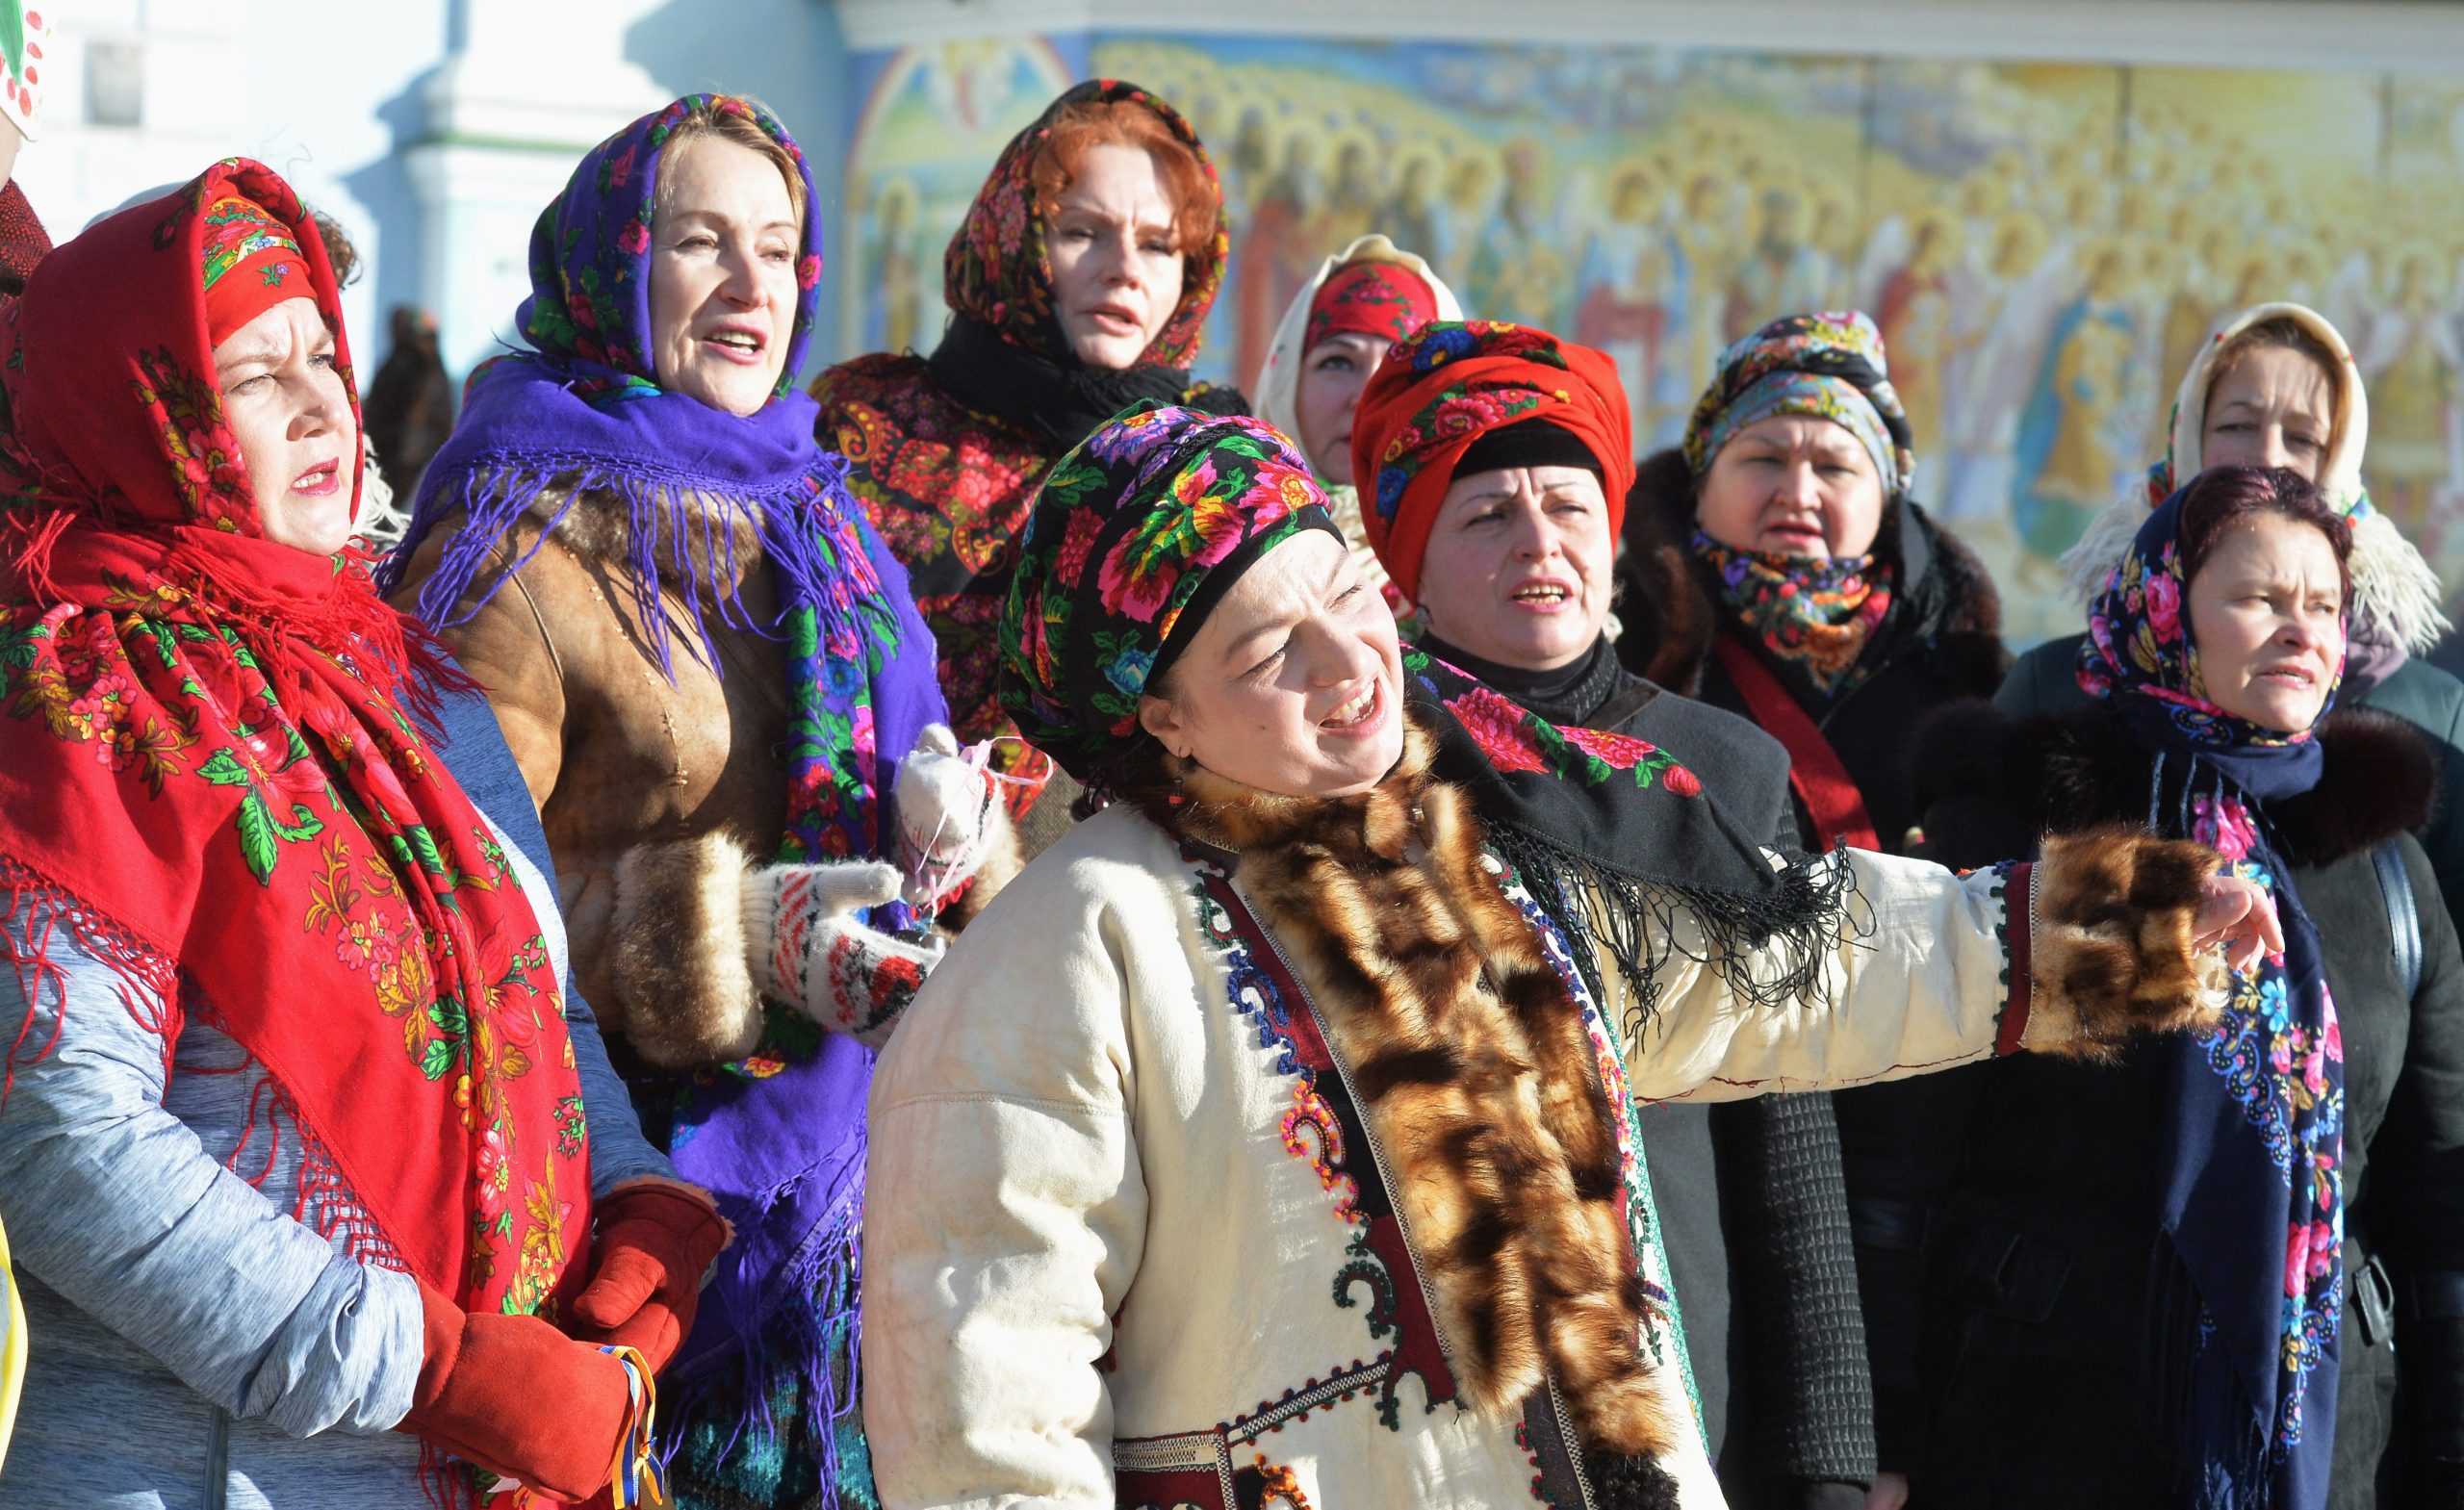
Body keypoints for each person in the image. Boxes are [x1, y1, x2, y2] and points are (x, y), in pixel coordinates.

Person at [859, 400, 2279, 1508]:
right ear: (1158, 716)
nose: (1350, 668)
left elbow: (1791, 964)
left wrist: (2110, 928)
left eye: (1349, 599)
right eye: (1266, 653)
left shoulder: (1483, 840)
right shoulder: (1070, 950)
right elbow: (984, 1392)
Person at [0, 159, 715, 1505]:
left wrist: (632, 1217)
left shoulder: (409, 679)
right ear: (146, 406)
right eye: (257, 376)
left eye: (323, 352)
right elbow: (65, 1138)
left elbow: (537, 1008)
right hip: (207, 1467)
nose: (324, 401)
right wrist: (440, 1372)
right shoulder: (81, 696)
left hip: (495, 1455)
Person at [385, 96, 1004, 1510]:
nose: (749, 289)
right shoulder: (512, 533)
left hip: (865, 1206)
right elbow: (447, 902)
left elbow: (909, 762)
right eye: (701, 243)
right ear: (615, 263)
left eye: (778, 251)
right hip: (633, 1229)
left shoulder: (824, 507)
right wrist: (748, 934)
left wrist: (950, 836)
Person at [1348, 319, 1883, 1509]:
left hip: (1688, 1371)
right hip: (1425, 1396)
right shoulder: (1356, 775)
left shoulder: (1725, 773)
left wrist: (1824, 1463)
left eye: (1568, 505)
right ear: (1407, 568)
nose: (1538, 540)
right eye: (1484, 514)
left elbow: (1787, 1132)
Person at [1898, 467, 2464, 1508]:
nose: (2300, 630)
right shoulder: (2025, 826)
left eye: (2324, 606)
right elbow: (1902, 1157)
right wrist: (1876, 1434)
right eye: (2257, 598)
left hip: (2333, 1443)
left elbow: (2437, 1190)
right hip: (2042, 1429)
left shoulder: (2381, 866)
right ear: (2162, 613)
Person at [1610, 312, 2008, 1504]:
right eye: (1763, 459)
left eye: (1834, 464)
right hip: (1717, 1140)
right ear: (1702, 476)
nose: (1799, 489)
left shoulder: (1967, 685)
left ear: (1886, 494)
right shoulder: (1636, 662)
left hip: (1932, 1180)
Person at [812, 79, 1244, 853]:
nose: (1124, 269)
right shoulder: (862, 421)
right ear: (1012, 237)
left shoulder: (1214, 452)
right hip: (857, 857)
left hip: (1123, 890)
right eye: (1083, 231)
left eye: (1157, 244)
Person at [2005, 301, 2464, 943]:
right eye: (2237, 424)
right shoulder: (2056, 686)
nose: (2268, 457)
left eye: (2303, 437)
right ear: (2188, 435)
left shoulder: (2430, 716)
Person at [1250, 233, 1459, 609]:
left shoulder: (1490, 559)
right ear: (1286, 382)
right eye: (1338, 362)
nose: (1366, 399)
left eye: (1401, 368)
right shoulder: (1221, 546)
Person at [361, 304, 456, 510]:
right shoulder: (411, 361)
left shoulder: (413, 363)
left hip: (405, 449)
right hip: (403, 447)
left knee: (389, 504)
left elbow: (418, 411)